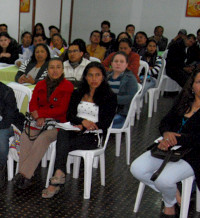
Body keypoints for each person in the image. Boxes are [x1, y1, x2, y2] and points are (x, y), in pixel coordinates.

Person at [130, 67, 200, 218]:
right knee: (137, 168)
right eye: (198, 82)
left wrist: (175, 139)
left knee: (164, 179)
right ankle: (174, 196)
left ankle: (169, 204)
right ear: (192, 86)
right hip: (170, 147)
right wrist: (167, 134)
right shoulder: (184, 102)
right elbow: (165, 122)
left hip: (198, 153)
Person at [42, 62, 116, 198]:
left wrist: (86, 126)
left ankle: (57, 179)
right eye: (90, 75)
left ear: (103, 77)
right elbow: (70, 115)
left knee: (61, 145)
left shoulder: (110, 97)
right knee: (62, 133)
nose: (94, 79)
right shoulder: (78, 93)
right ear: (85, 77)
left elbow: (105, 122)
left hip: (94, 135)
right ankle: (59, 174)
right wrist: (81, 122)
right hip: (74, 130)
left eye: (97, 75)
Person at [14, 59, 74, 190]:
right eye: (52, 67)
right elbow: (32, 104)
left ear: (63, 70)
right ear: (48, 70)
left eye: (58, 67)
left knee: (42, 139)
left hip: (58, 124)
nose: (55, 70)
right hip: (39, 121)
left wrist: (42, 114)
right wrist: (37, 115)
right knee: (25, 136)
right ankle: (25, 174)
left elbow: (62, 109)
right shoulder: (41, 84)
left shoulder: (67, 86)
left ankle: (23, 175)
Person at [107, 52, 138, 128]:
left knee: (99, 123)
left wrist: (111, 99)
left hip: (121, 114)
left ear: (126, 64)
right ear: (111, 63)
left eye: (121, 62)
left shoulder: (130, 78)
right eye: (116, 61)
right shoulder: (106, 76)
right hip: (105, 110)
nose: (118, 64)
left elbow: (130, 98)